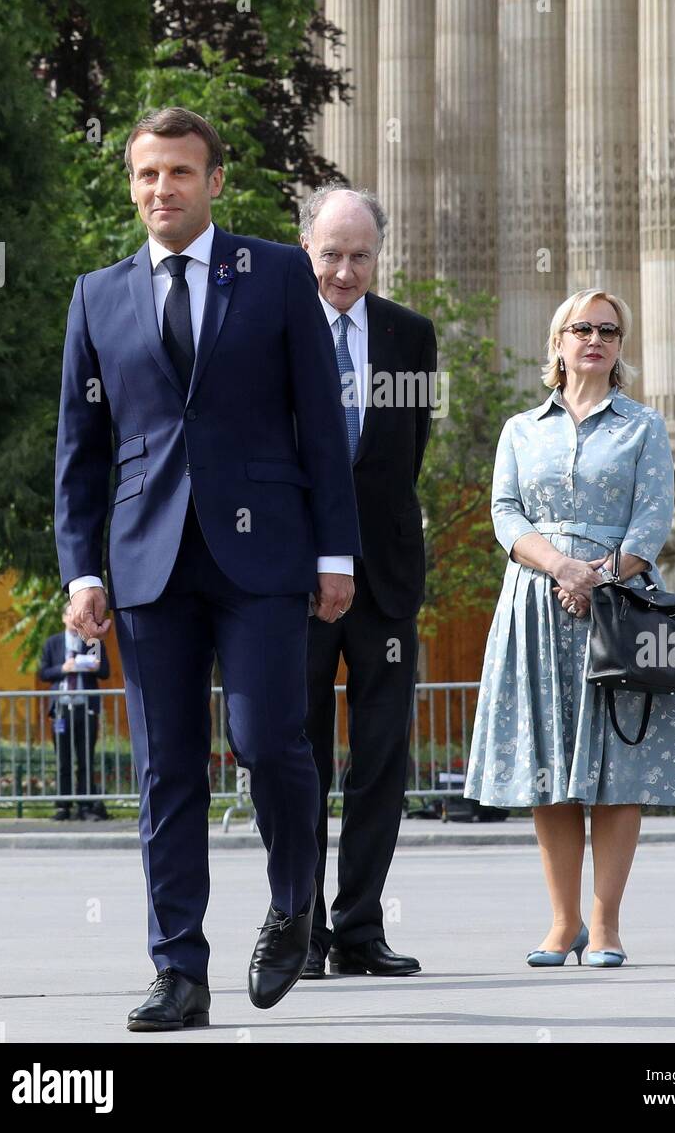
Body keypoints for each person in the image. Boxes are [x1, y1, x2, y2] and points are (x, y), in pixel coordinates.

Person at [54, 107, 361, 1031]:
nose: (162, 190)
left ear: (214, 181)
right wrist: (80, 572)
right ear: (133, 184)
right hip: (147, 562)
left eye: (180, 174)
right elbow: (80, 448)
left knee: (270, 739)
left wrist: (335, 550)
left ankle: (295, 903)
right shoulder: (96, 295)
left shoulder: (272, 273)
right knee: (165, 770)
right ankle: (179, 969)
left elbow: (321, 419)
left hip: (262, 552)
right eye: (148, 175)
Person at [464, 288, 675, 970]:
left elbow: (653, 521)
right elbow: (506, 514)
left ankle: (606, 922)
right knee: (549, 767)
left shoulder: (643, 427)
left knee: (618, 770)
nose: (596, 339)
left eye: (610, 331)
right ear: (558, 344)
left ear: (620, 348)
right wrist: (562, 567)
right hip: (537, 603)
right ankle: (562, 923)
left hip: (618, 607)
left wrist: (597, 577)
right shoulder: (520, 429)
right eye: (582, 328)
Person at [298, 184, 437, 978]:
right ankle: (304, 928)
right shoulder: (278, 330)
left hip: (385, 585)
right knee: (300, 761)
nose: (345, 272)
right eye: (331, 255)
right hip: (299, 586)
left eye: (360, 256)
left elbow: (403, 458)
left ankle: (360, 928)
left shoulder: (408, 335)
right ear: (306, 248)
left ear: (377, 256)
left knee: (381, 760)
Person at [39, 602, 111, 821]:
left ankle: (86, 806)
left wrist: (94, 665)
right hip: (61, 709)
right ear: (63, 618)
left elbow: (105, 671)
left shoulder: (92, 642)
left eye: (75, 614)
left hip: (85, 708)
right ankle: (63, 806)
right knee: (63, 760)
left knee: (85, 758)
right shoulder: (53, 643)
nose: (73, 618)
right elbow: (43, 673)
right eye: (69, 614)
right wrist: (63, 668)